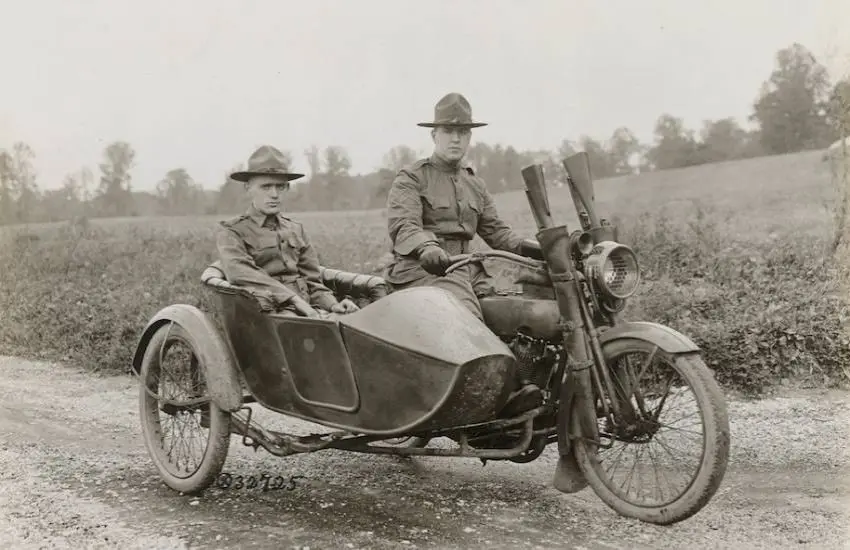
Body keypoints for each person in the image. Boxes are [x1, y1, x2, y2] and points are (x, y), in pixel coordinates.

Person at [384, 92, 544, 416]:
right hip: (424, 269)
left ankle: (520, 379)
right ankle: (486, 403)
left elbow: (498, 233)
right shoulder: (412, 177)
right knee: (469, 319)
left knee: (513, 313)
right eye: (448, 131)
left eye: (463, 132)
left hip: (468, 268)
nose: (456, 138)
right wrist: (427, 246)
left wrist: (542, 250)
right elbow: (404, 225)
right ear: (434, 135)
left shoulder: (475, 184)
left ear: (470, 137)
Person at [216, 145, 359, 318]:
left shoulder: (295, 229)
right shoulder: (232, 231)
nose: (274, 194)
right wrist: (294, 300)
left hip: (307, 311)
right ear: (248, 188)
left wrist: (333, 305)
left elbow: (312, 281)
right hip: (266, 315)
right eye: (266, 187)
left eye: (280, 187)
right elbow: (239, 272)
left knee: (352, 322)